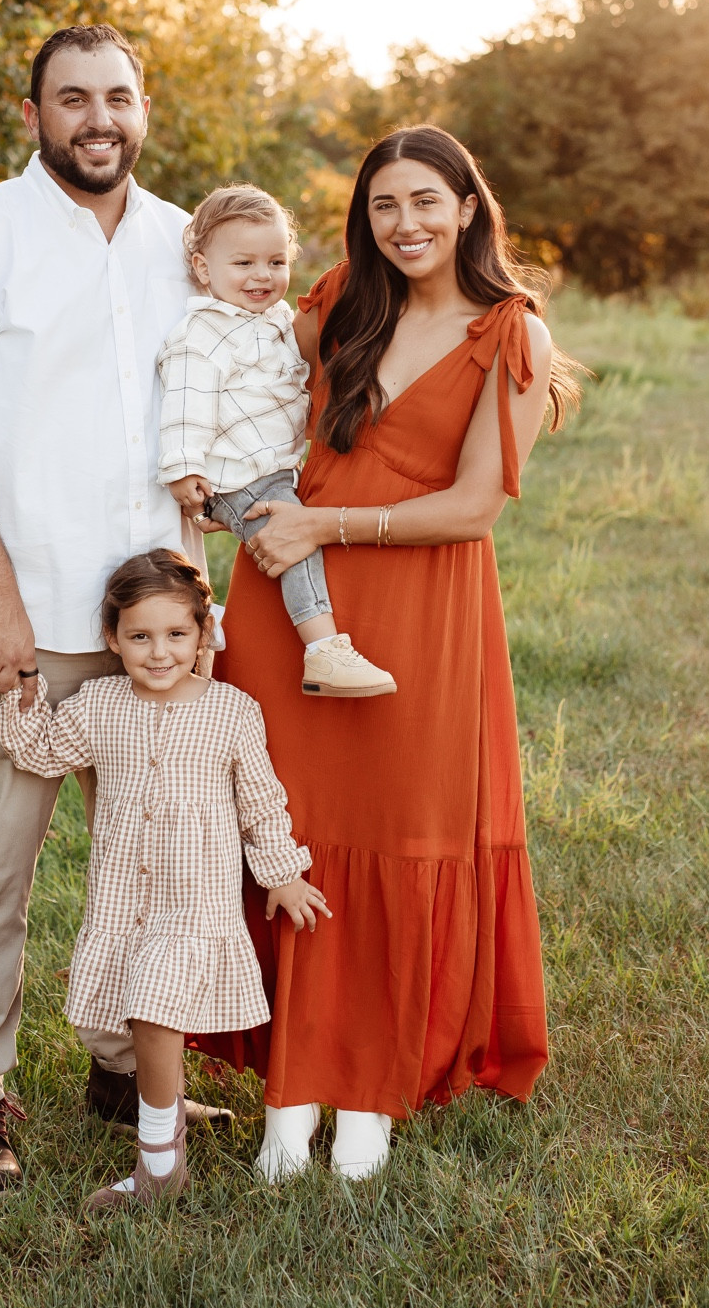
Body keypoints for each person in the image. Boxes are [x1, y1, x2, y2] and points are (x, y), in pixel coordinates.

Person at [0, 22, 229, 1194]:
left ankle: (125, 1065)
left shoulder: (188, 245)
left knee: (153, 859)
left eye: (117, 96)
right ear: (33, 116)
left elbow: (223, 400)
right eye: (71, 99)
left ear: (145, 105)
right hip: (14, 619)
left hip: (155, 632)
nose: (97, 119)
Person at [194, 125, 582, 1183]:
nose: (403, 223)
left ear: (466, 207)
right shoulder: (332, 308)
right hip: (287, 598)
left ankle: (369, 1085)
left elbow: (472, 507)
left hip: (416, 606)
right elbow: (218, 361)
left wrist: (331, 528)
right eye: (382, 206)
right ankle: (291, 1083)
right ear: (362, 221)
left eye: (424, 201)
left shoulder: (509, 336)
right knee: (293, 823)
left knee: (395, 825)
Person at [0, 549, 328, 1215]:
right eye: (139, 635)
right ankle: (160, 1153)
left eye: (177, 634)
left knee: (152, 1010)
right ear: (112, 639)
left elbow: (262, 801)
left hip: (193, 906)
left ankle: (157, 1165)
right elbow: (42, 750)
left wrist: (283, 873)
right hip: (125, 900)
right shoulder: (100, 703)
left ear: (204, 635)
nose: (158, 651)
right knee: (140, 1013)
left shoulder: (232, 710)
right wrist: (22, 693)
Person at [157, 183, 395, 700]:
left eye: (275, 261)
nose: (262, 276)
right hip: (236, 472)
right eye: (243, 264)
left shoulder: (276, 320)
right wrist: (182, 467)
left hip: (270, 466)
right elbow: (185, 400)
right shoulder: (204, 331)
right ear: (203, 269)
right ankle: (323, 649)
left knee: (295, 530)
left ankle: (237, 637)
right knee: (293, 539)